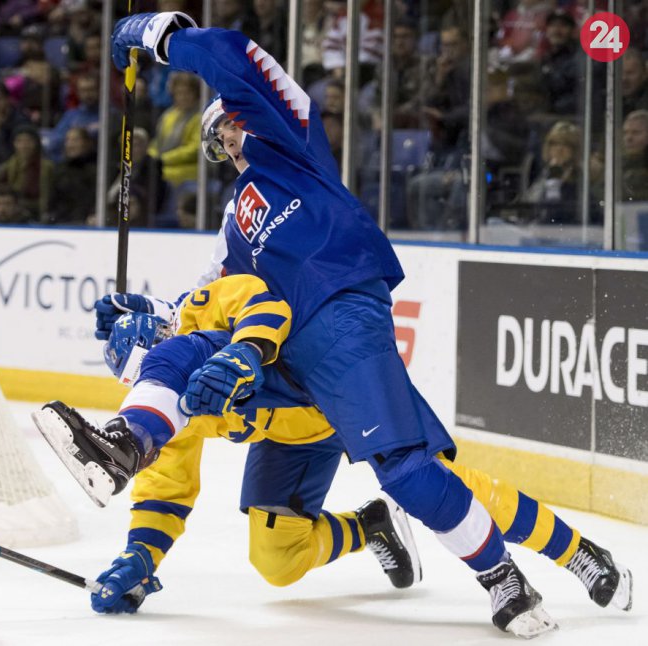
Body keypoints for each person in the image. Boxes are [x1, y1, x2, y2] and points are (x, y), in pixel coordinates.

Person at [37, 12, 619, 637]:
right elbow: (203, 306)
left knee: (412, 473)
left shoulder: (294, 151)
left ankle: (546, 561)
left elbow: (230, 56)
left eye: (230, 125)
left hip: (336, 320)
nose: (228, 142)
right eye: (219, 140)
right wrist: (149, 316)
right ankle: (126, 444)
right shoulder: (231, 235)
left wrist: (162, 36)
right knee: (272, 547)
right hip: (285, 378)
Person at [39, 275, 632, 617]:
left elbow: (264, 304)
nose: (157, 389)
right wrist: (141, 558)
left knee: (445, 492)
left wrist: (242, 351)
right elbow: (165, 487)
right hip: (292, 437)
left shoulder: (205, 305)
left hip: (340, 387)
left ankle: (579, 552)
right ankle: (372, 527)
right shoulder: (168, 409)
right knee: (276, 560)